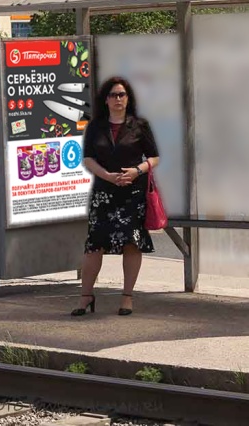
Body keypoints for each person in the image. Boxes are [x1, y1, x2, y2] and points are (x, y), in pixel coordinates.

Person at [73, 77, 160, 318]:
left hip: (132, 193)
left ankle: (127, 297)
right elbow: (88, 158)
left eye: (122, 94)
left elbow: (154, 157)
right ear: (106, 99)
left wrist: (136, 171)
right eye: (113, 95)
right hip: (104, 192)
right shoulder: (96, 126)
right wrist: (108, 176)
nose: (118, 99)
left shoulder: (139, 125)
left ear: (128, 98)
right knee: (94, 244)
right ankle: (85, 296)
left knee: (132, 242)